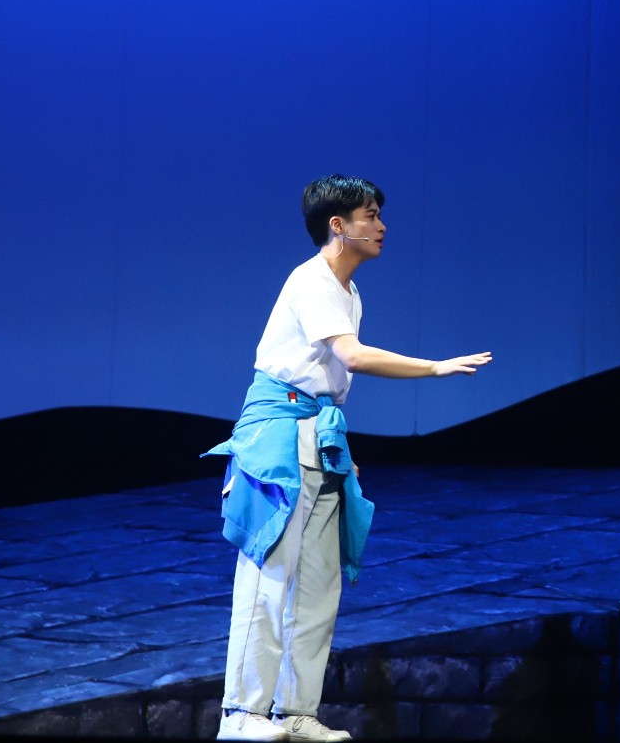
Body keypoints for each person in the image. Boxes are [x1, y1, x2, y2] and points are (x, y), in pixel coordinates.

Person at [205, 175, 492, 742]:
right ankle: (240, 712)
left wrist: (340, 451)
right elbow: (352, 358)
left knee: (318, 584)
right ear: (338, 225)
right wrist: (435, 367)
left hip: (318, 435)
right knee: (270, 572)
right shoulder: (311, 280)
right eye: (370, 215)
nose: (381, 225)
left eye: (379, 214)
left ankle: (295, 711)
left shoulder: (350, 292)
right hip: (278, 435)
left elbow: (330, 387)